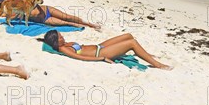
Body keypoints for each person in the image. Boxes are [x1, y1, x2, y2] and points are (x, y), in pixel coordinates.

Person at [43, 30, 173, 70]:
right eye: (60, 36)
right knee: (132, 43)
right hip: (101, 53)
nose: (63, 36)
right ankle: (158, 65)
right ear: (56, 41)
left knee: (128, 35)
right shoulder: (63, 48)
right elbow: (81, 57)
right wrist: (102, 58)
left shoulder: (65, 43)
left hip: (100, 46)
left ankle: (146, 54)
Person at [3, 0, 101, 30]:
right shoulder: (16, 4)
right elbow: (10, 14)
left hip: (48, 10)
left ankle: (90, 24)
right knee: (64, 22)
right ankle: (79, 25)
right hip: (43, 19)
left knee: (68, 16)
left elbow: (41, 1)